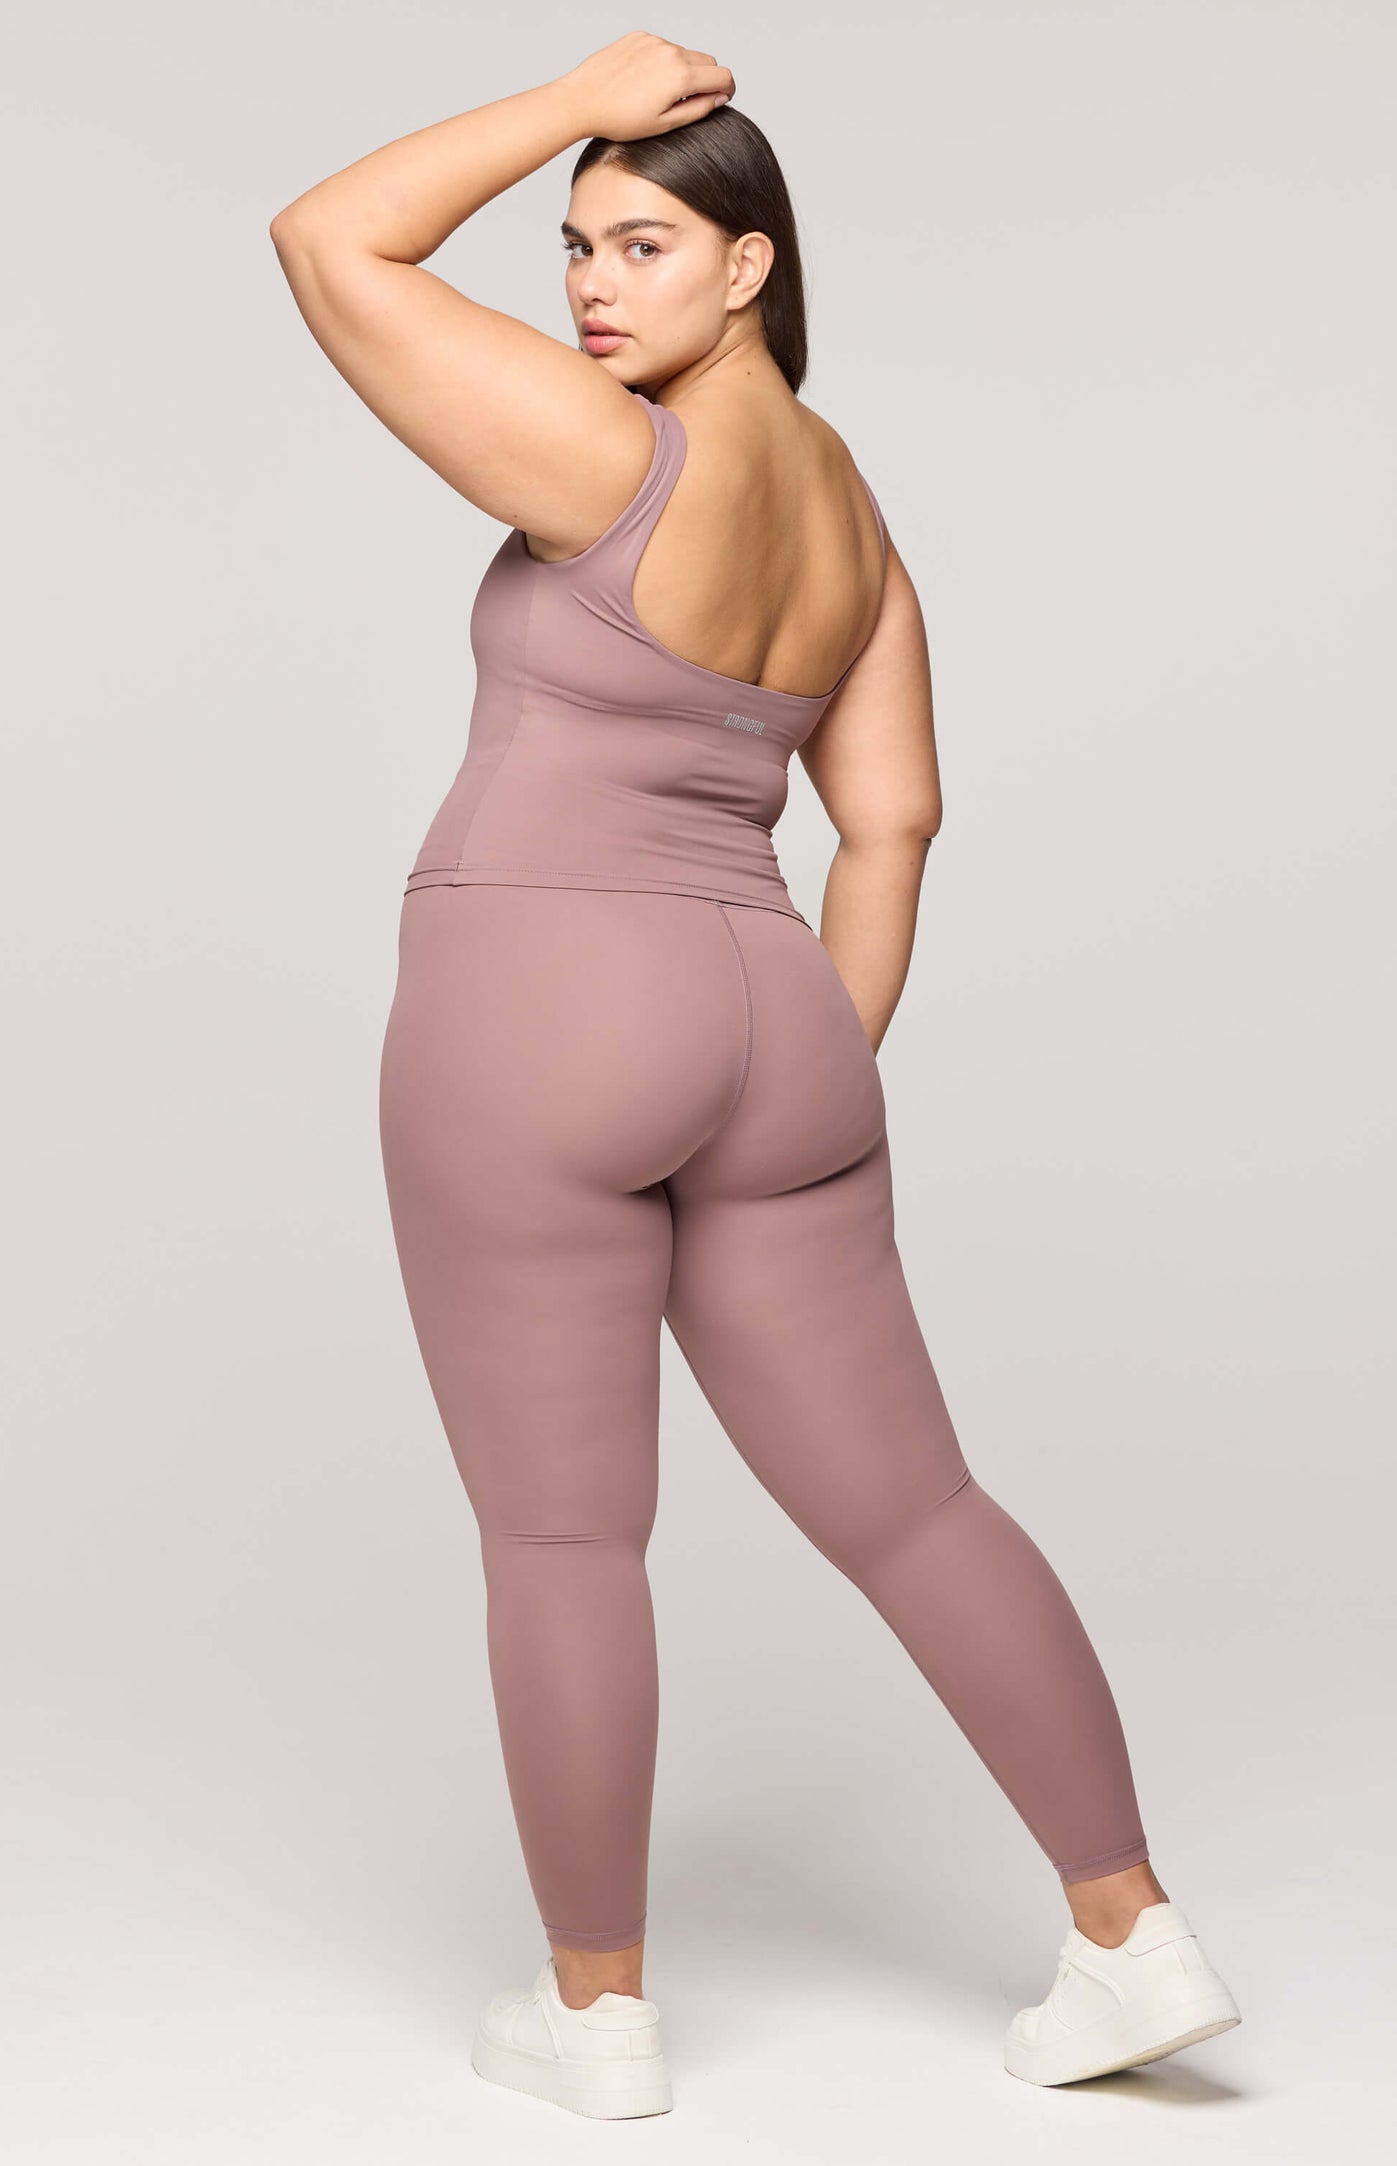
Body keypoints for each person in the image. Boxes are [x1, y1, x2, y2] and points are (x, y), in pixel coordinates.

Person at [269, 31, 1241, 2118]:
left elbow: (332, 241)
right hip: (776, 1015)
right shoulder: (853, 515)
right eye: (573, 245)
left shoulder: (609, 457)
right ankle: (1129, 1936)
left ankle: (595, 2016)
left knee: (562, 1540)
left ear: (748, 265)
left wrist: (576, 88)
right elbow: (890, 824)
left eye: (640, 243)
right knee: (918, 1503)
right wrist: (792, 1074)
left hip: (541, 996)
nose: (587, 285)